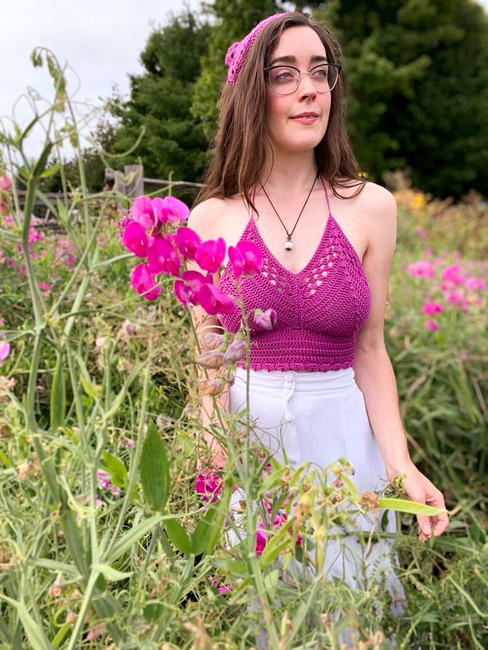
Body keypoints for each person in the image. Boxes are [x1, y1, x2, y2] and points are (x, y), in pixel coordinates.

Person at [187, 9, 448, 604]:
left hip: (344, 442)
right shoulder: (210, 219)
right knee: (262, 613)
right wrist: (215, 458)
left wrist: (401, 465)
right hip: (249, 443)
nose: (309, 89)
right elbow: (209, 363)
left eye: (320, 71)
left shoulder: (371, 207)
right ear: (251, 95)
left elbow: (370, 351)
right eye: (284, 73)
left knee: (351, 608)